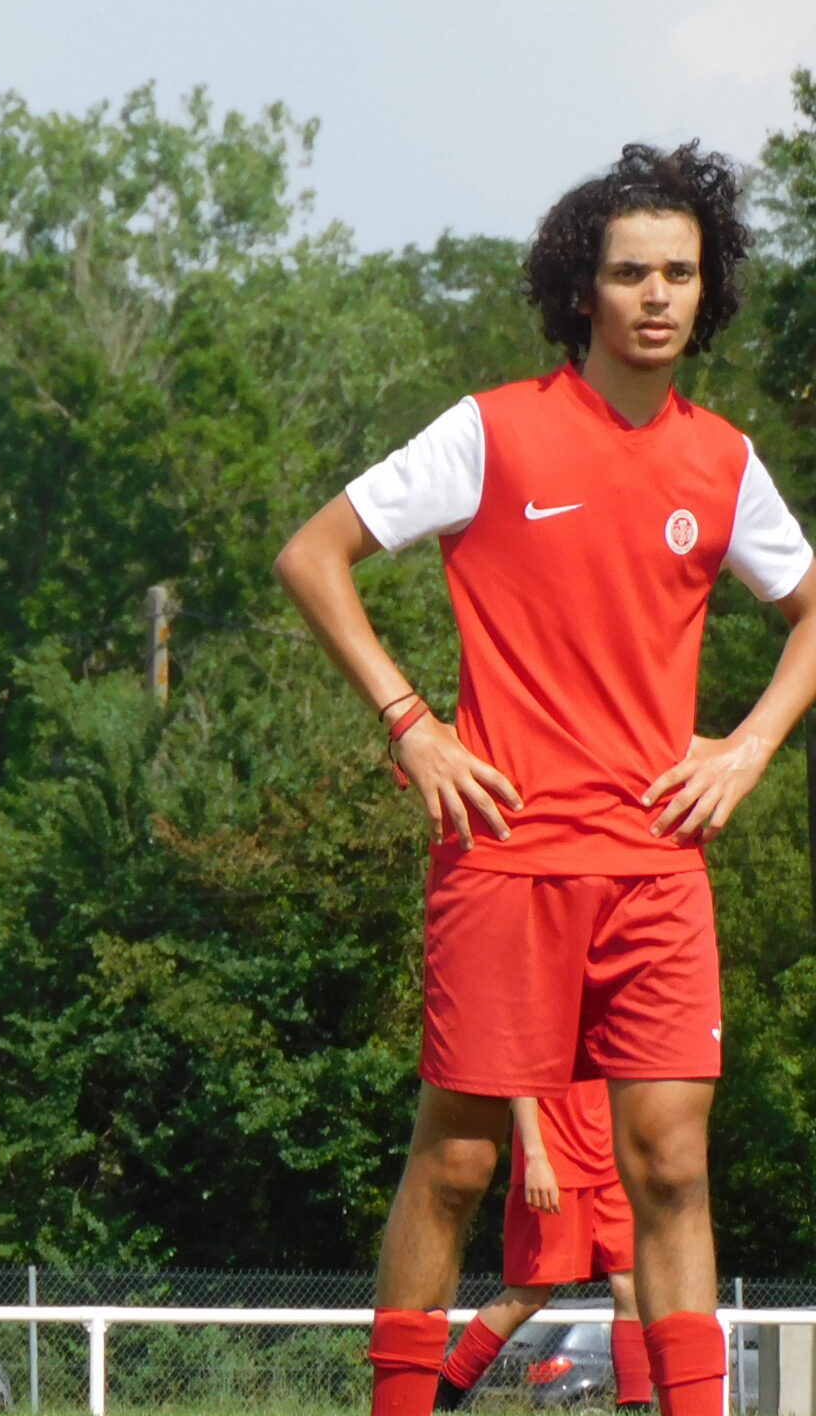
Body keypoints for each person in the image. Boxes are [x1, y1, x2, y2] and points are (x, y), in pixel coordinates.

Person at [274, 141, 816, 1416]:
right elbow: (313, 555)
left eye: (680, 272)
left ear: (706, 287)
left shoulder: (721, 462)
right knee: (456, 1163)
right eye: (630, 272)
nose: (656, 296)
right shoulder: (494, 432)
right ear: (585, 288)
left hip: (653, 872)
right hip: (505, 860)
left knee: (670, 1170)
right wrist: (411, 722)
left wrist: (743, 748)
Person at [435, 1081, 647, 1409]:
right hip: (553, 1164)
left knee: (629, 1286)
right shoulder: (542, 1027)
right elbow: (521, 1078)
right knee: (529, 1295)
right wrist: (535, 1158)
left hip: (612, 1164)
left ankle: (635, 1406)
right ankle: (444, 1391)